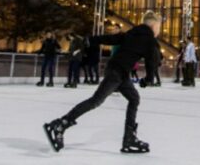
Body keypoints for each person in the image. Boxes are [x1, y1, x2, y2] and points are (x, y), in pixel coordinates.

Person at [43, 11, 162, 153]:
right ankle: (60, 124)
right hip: (117, 73)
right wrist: (148, 80)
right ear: (154, 26)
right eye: (159, 27)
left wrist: (92, 40)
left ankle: (129, 138)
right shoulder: (150, 39)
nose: (159, 30)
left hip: (119, 71)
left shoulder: (133, 32)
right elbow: (152, 61)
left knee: (134, 98)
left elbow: (114, 39)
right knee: (96, 101)